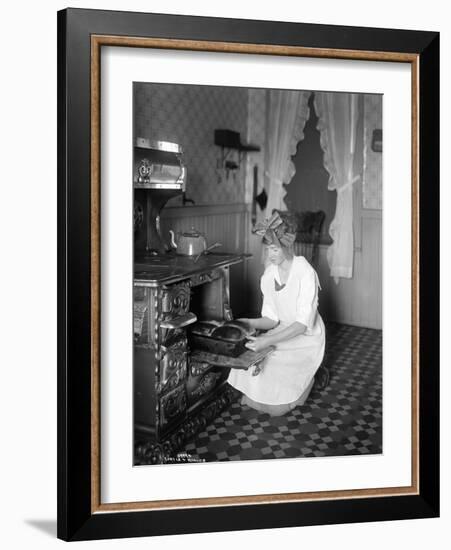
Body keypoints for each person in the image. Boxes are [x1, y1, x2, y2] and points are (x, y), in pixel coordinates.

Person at [227, 212, 326, 416]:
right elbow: (271, 319)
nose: (270, 255)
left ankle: (309, 380)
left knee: (277, 409)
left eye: (274, 249)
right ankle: (273, 392)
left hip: (306, 336)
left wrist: (266, 342)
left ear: (287, 247)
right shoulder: (269, 275)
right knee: (251, 364)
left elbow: (301, 325)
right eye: (267, 249)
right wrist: (245, 322)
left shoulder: (305, 273)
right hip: (282, 330)